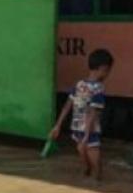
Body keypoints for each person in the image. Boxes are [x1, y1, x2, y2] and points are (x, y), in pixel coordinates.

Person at [49, 48, 114, 180]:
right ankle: (97, 181)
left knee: (84, 155)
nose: (108, 74)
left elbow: (68, 105)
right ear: (103, 68)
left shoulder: (79, 85)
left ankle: (88, 175)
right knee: (95, 161)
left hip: (77, 127)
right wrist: (86, 135)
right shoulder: (98, 89)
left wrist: (58, 125)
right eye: (108, 70)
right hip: (89, 130)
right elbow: (93, 112)